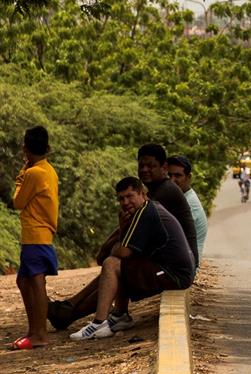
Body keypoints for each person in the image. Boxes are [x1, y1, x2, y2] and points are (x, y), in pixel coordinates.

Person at [48, 144, 198, 331]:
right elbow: (127, 228)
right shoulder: (152, 192)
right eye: (141, 165)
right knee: (114, 266)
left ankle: (72, 313)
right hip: (161, 258)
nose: (144, 170)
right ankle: (69, 307)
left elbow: (125, 239)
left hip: (174, 267)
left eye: (150, 166)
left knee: (115, 267)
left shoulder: (163, 193)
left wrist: (107, 249)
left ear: (163, 168)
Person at [70, 177, 195, 341]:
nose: (125, 202)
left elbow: (123, 251)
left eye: (130, 196)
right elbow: (128, 251)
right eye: (121, 198)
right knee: (124, 266)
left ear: (142, 194)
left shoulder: (146, 211)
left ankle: (99, 323)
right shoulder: (148, 209)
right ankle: (120, 315)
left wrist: (115, 248)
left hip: (175, 275)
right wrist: (122, 233)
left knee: (111, 264)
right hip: (174, 271)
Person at [11, 126, 58, 351]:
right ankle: (34, 330)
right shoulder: (48, 169)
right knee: (24, 281)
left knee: (36, 282)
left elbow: (18, 202)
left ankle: (40, 334)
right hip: (40, 233)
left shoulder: (33, 173)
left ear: (26, 148)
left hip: (35, 234)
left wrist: (21, 176)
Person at [166, 155, 207, 259]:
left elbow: (168, 237)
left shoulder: (189, 203)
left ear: (188, 178)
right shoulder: (175, 197)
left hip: (182, 268)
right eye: (169, 175)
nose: (172, 180)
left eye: (178, 176)